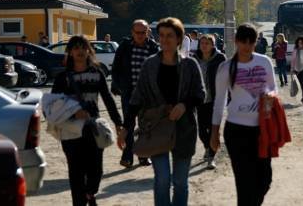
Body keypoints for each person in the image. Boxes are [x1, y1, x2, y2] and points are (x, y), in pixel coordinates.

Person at [117, 17, 205, 206]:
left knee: (180, 182)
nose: (165, 40)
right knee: (163, 180)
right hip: (156, 129)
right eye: (162, 35)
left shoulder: (190, 65)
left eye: (170, 36)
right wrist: (126, 127)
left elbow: (200, 94)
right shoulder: (150, 65)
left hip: (184, 129)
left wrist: (184, 105)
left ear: (179, 38)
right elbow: (136, 98)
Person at [50, 35, 123, 206]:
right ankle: (80, 201)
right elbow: (52, 104)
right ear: (70, 52)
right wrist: (73, 113)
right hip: (70, 130)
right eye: (75, 48)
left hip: (92, 128)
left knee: (96, 170)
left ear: (89, 50)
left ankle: (90, 193)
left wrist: (118, 123)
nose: (80, 51)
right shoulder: (63, 77)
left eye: (83, 47)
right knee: (76, 173)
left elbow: (108, 99)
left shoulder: (97, 73)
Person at [211, 23, 278, 206]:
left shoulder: (263, 62)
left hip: (262, 131)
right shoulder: (226, 68)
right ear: (236, 41)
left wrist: (270, 97)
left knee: (264, 180)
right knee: (244, 183)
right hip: (236, 132)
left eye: (251, 42)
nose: (247, 46)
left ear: (256, 42)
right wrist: (214, 132)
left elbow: (273, 88)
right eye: (243, 41)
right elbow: (219, 102)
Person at [111, 19, 159, 168]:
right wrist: (118, 84)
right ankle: (127, 156)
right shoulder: (125, 46)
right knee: (129, 124)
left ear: (147, 32)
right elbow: (116, 67)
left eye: (143, 32)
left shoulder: (153, 47)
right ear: (132, 32)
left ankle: (144, 156)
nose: (140, 35)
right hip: (129, 92)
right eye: (137, 32)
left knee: (145, 126)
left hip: (147, 94)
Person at [192, 34, 226, 169]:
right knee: (201, 130)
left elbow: (226, 77)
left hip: (215, 99)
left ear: (213, 45)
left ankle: (211, 157)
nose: (204, 45)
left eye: (207, 43)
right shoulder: (194, 58)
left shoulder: (220, 58)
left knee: (213, 130)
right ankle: (207, 147)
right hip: (200, 99)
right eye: (202, 43)